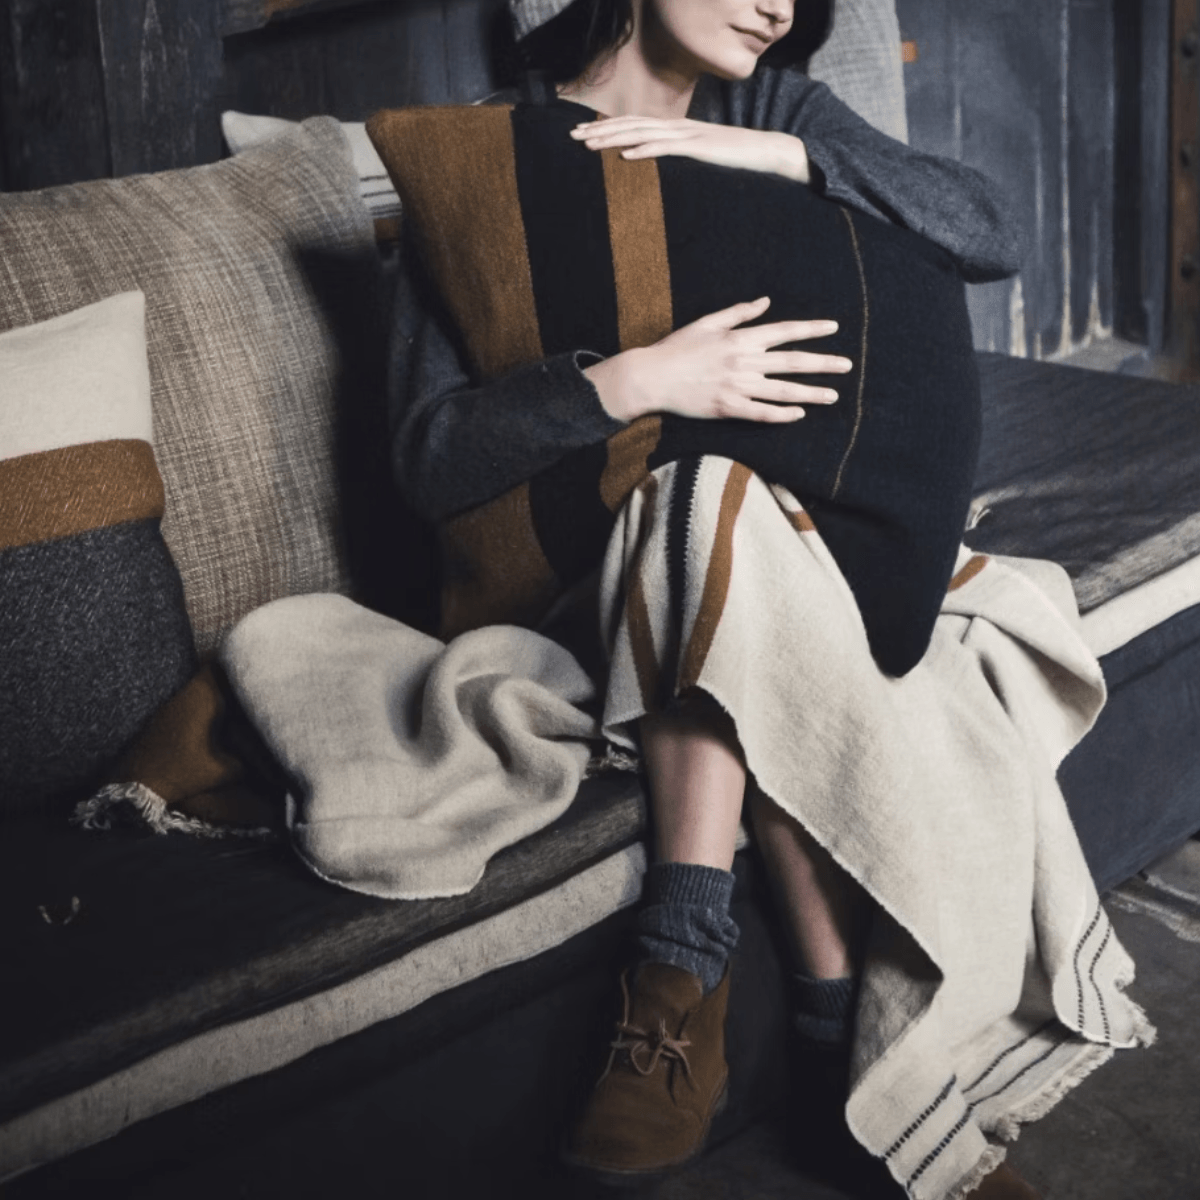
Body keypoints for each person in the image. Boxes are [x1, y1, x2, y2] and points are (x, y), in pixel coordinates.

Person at [387, 3, 1142, 1198]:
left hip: (767, 571)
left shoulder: (774, 110)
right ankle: (802, 1027)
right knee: (701, 492)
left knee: (735, 525)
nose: (779, 2)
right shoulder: (489, 153)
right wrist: (639, 380)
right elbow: (427, 461)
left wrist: (784, 157)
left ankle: (714, 999)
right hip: (581, 584)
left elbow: (990, 228)